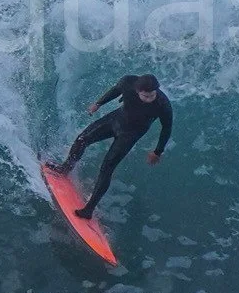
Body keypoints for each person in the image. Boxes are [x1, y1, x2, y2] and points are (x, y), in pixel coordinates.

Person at [50, 73, 172, 219]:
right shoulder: (128, 82)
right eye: (146, 96)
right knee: (82, 140)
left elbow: (167, 128)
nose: (149, 99)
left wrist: (158, 151)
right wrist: (98, 104)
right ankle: (65, 168)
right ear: (137, 90)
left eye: (152, 95)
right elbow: (115, 91)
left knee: (107, 168)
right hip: (115, 120)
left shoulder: (163, 104)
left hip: (131, 134)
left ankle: (88, 210)